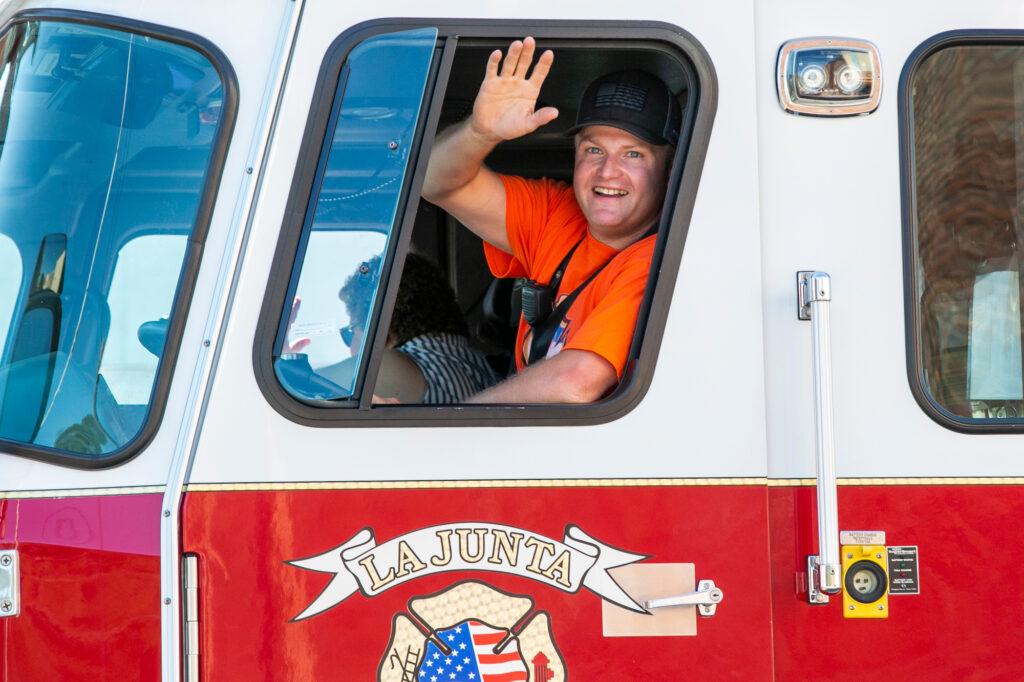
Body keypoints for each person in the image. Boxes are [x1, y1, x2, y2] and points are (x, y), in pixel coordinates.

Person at [421, 37, 680, 403]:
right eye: (594, 150)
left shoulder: (656, 259)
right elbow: (434, 182)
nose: (609, 172)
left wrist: (448, 422)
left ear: (669, 171)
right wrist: (479, 134)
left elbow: (575, 382)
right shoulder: (558, 214)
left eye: (633, 154)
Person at [330, 253, 498, 404]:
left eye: (350, 333)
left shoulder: (405, 369)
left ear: (381, 330)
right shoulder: (473, 361)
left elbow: (311, 390)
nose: (351, 349)